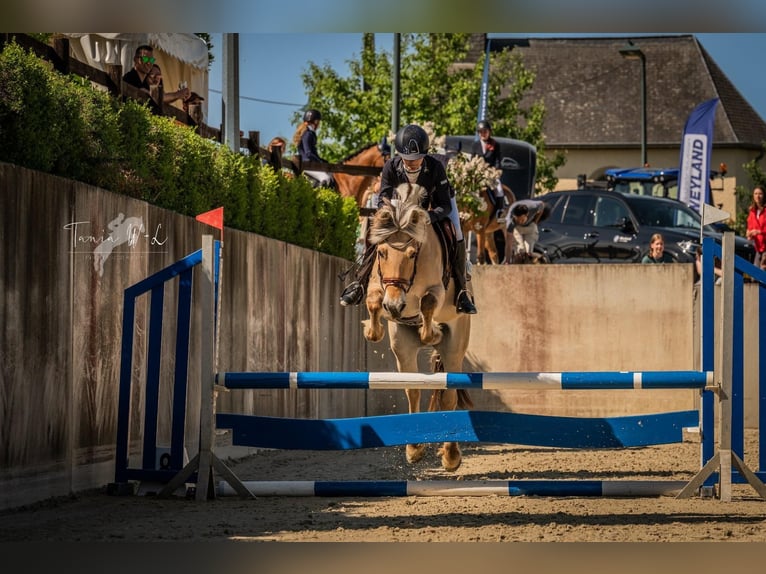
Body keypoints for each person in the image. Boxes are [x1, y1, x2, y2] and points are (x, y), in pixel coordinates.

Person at [339, 123, 477, 314]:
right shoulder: (390, 166)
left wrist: (428, 216)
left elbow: (444, 205)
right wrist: (389, 215)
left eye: (416, 158)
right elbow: (383, 198)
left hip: (435, 204)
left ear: (425, 154)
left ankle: (462, 291)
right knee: (373, 229)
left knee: (455, 231)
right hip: (400, 206)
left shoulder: (435, 167)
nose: (411, 162)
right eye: (407, 158)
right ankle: (360, 283)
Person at [471, 119, 506, 220]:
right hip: (478, 174)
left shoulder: (495, 144)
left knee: (499, 190)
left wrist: (495, 171)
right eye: (481, 132)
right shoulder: (475, 145)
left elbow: (498, 161)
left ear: (489, 132)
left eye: (485, 132)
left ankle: (500, 212)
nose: (483, 134)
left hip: (491, 174)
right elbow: (472, 160)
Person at [292, 109, 334, 188]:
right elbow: (308, 153)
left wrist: (323, 161)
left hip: (310, 163)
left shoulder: (309, 133)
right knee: (326, 178)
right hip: (307, 165)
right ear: (315, 122)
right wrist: (320, 162)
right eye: (318, 122)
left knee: (331, 174)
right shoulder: (308, 134)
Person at [745, 185, 766, 269]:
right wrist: (748, 232)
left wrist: (759, 231)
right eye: (755, 193)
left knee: (762, 270)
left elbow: (759, 229)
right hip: (758, 246)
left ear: (764, 195)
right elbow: (750, 226)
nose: (758, 196)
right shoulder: (752, 211)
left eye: (760, 194)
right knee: (755, 272)